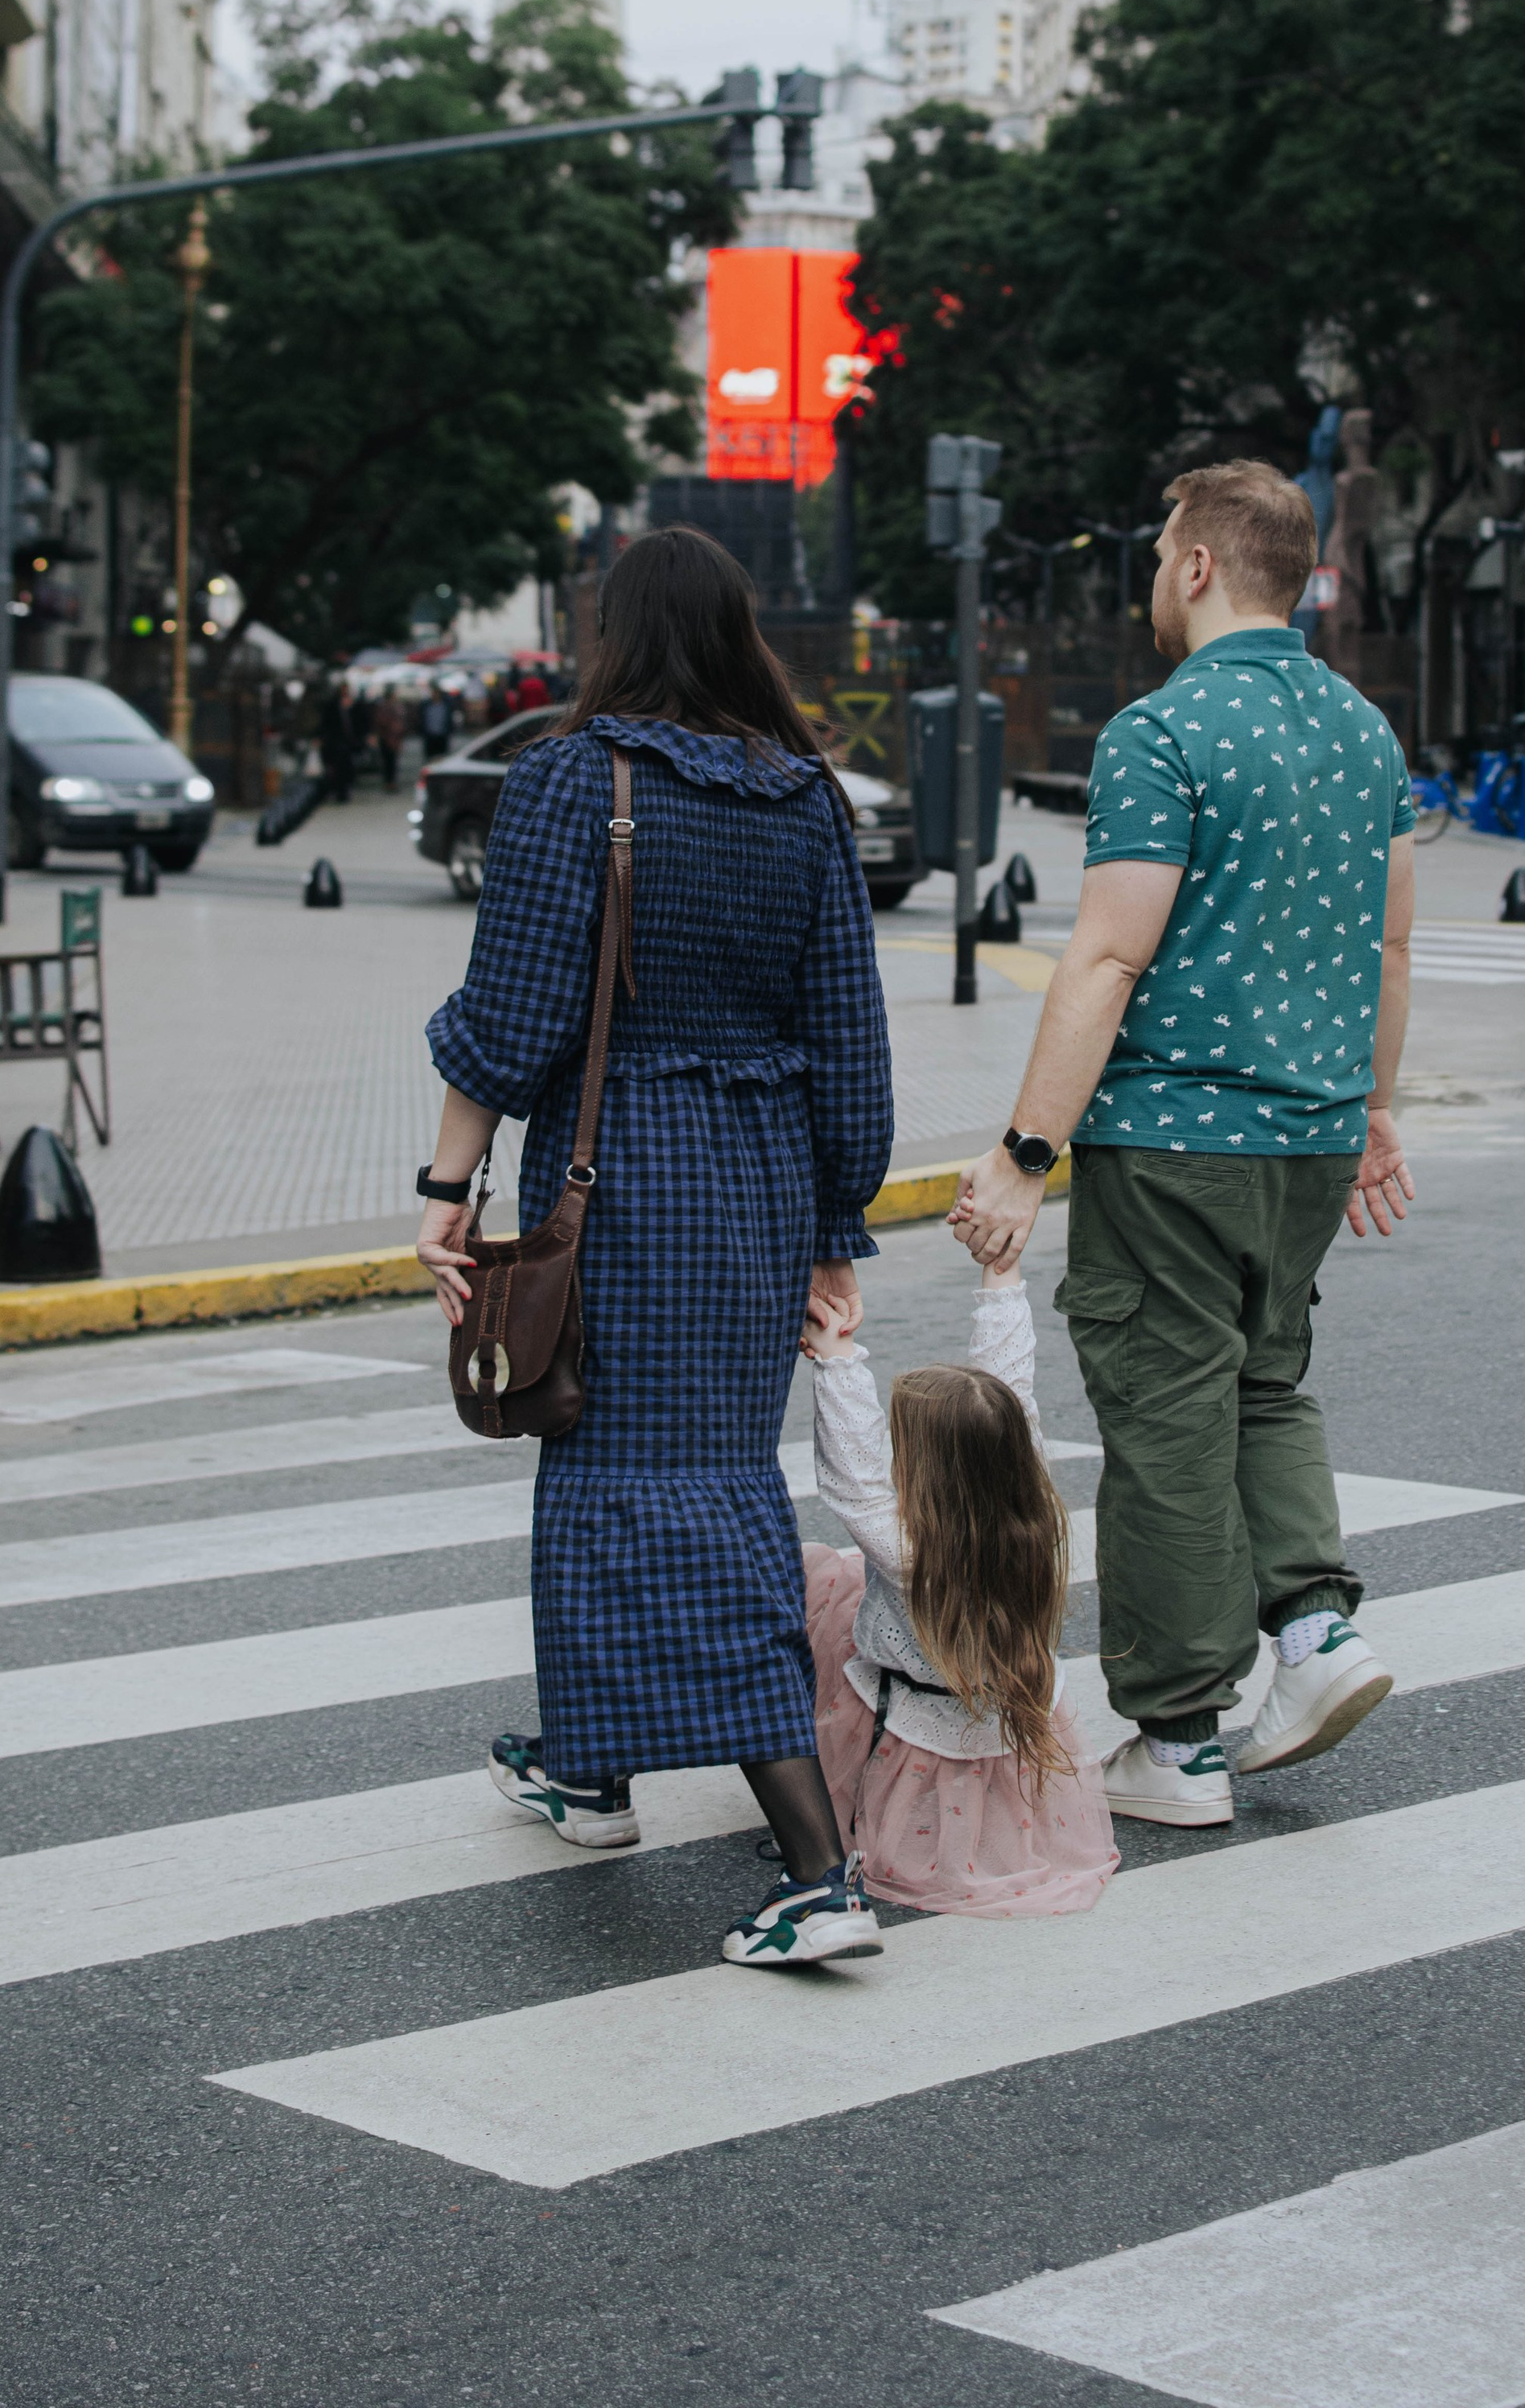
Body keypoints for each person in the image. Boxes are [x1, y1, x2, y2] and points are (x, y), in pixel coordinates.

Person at [415, 525, 896, 1970]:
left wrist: (447, 1183)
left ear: (614, 634)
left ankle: (821, 1871)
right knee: (634, 1469)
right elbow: (851, 1046)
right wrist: (833, 1224)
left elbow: (507, 1015)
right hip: (750, 1191)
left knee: (664, 1492)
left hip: (616, 1184)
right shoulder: (804, 797)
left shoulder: (575, 778)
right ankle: (590, 1768)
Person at [950, 458, 1416, 1829]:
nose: (1156, 576)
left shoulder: (1162, 734)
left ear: (1202, 566)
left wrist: (1023, 1155)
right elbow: (1390, 943)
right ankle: (1319, 1636)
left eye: (1162, 554)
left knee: (1165, 1417)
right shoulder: (1366, 735)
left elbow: (1104, 958)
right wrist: (1377, 1110)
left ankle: (1178, 1736)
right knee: (1267, 1384)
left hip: (1176, 1137)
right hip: (1316, 1138)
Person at [800, 1250, 1118, 1916]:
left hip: (918, 1701)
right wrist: (999, 1274)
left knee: (823, 1579)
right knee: (852, 1579)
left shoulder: (910, 1551)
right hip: (1004, 1694)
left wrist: (836, 1360)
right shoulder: (1028, 1509)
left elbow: (855, 1480)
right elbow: (1010, 1391)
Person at [316, 685, 358, 804]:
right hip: (335, 742)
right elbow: (325, 723)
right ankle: (339, 791)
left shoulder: (353, 705)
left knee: (347, 767)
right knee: (338, 768)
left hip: (349, 742)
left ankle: (344, 790)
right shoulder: (331, 706)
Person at [372, 691, 407, 793]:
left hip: (393, 740)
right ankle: (389, 782)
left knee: (392, 762)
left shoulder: (396, 709)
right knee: (388, 762)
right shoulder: (385, 709)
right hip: (386, 739)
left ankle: (391, 782)